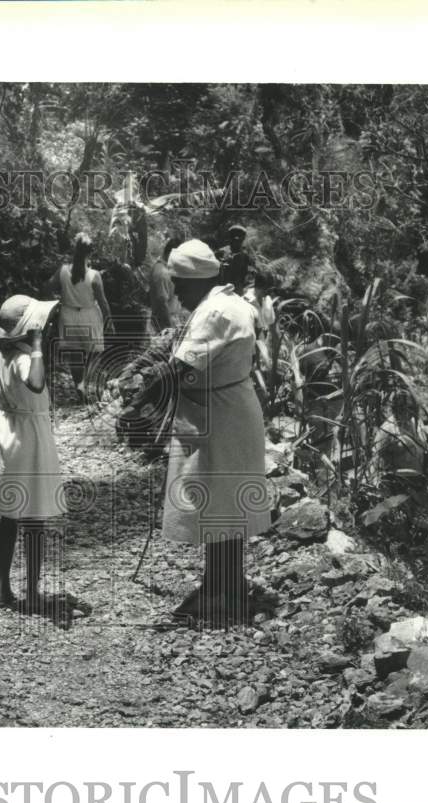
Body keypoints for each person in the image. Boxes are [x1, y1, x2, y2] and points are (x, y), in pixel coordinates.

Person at [154, 238, 272, 628]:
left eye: (179, 284)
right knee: (226, 503)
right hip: (233, 404)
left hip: (219, 411)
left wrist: (150, 389)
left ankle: (219, 592)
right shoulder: (231, 302)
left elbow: (184, 369)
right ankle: (226, 585)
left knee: (218, 501)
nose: (175, 292)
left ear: (195, 280)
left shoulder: (213, 313)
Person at [0, 294, 67, 610]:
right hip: (28, 436)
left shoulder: (3, 354)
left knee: (9, 516)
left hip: (9, 429)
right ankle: (31, 592)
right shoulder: (23, 358)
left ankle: (3, 587)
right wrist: (36, 346)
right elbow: (35, 383)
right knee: (33, 517)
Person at [50, 233, 112, 401]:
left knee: (75, 354)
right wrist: (109, 320)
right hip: (89, 314)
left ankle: (80, 385)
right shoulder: (94, 275)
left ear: (74, 250)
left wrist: (56, 304)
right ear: (90, 253)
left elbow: (48, 287)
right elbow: (103, 301)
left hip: (68, 314)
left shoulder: (62, 271)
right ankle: (87, 382)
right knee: (94, 353)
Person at [147, 238, 186, 334]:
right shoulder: (162, 273)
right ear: (171, 254)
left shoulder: (165, 269)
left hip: (168, 322)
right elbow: (162, 304)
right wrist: (170, 330)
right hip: (163, 326)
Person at [216, 224, 254, 293]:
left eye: (239, 237)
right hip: (221, 290)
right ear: (230, 237)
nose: (236, 239)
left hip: (237, 291)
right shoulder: (221, 252)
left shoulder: (245, 256)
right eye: (234, 236)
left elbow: (249, 276)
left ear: (242, 239)